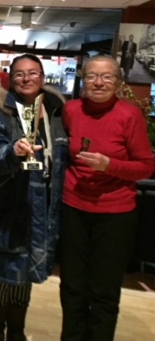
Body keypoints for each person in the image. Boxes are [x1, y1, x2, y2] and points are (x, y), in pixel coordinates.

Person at [59, 55, 154, 341]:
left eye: (107, 77)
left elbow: (146, 166)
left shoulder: (129, 115)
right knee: (72, 286)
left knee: (104, 291)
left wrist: (109, 165)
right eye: (91, 76)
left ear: (119, 83)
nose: (98, 83)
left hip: (116, 213)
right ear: (83, 80)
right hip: (74, 206)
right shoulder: (72, 110)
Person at [0, 54, 67, 341]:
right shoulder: (0, 112)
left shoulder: (56, 111)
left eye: (32, 73)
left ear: (42, 77)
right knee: (1, 275)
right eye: (19, 74)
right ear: (10, 79)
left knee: (25, 274)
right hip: (7, 207)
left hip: (43, 209)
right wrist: (12, 152)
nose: (26, 78)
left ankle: (16, 333)